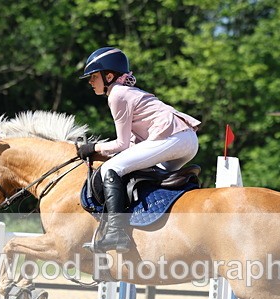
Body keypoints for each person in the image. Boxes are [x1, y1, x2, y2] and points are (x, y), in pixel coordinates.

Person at [77, 46, 201, 253]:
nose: (90, 81)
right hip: (186, 140)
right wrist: (101, 150)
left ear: (108, 76)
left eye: (93, 76)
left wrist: (93, 147)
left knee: (111, 170)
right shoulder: (127, 92)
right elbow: (132, 144)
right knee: (138, 173)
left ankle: (116, 233)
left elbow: (121, 145)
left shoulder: (117, 94)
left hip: (173, 138)